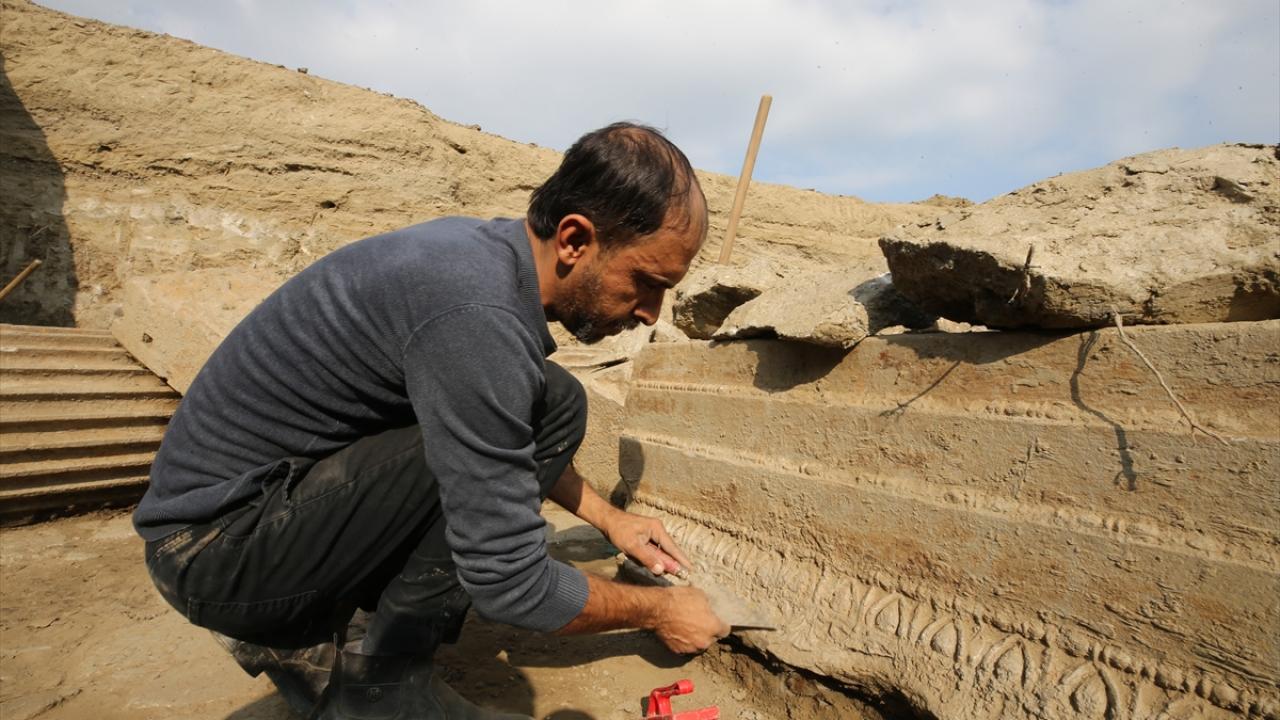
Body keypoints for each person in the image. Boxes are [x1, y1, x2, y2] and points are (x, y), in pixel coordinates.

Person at [135, 122, 729, 719]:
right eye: (647, 282)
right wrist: (660, 609)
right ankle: (384, 686)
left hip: (245, 517)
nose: (652, 313)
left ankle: (313, 628)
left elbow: (506, 434)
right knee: (505, 448)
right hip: (213, 553)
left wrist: (610, 519)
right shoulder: (475, 315)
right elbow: (510, 584)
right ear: (575, 239)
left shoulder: (482, 256)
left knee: (554, 399)